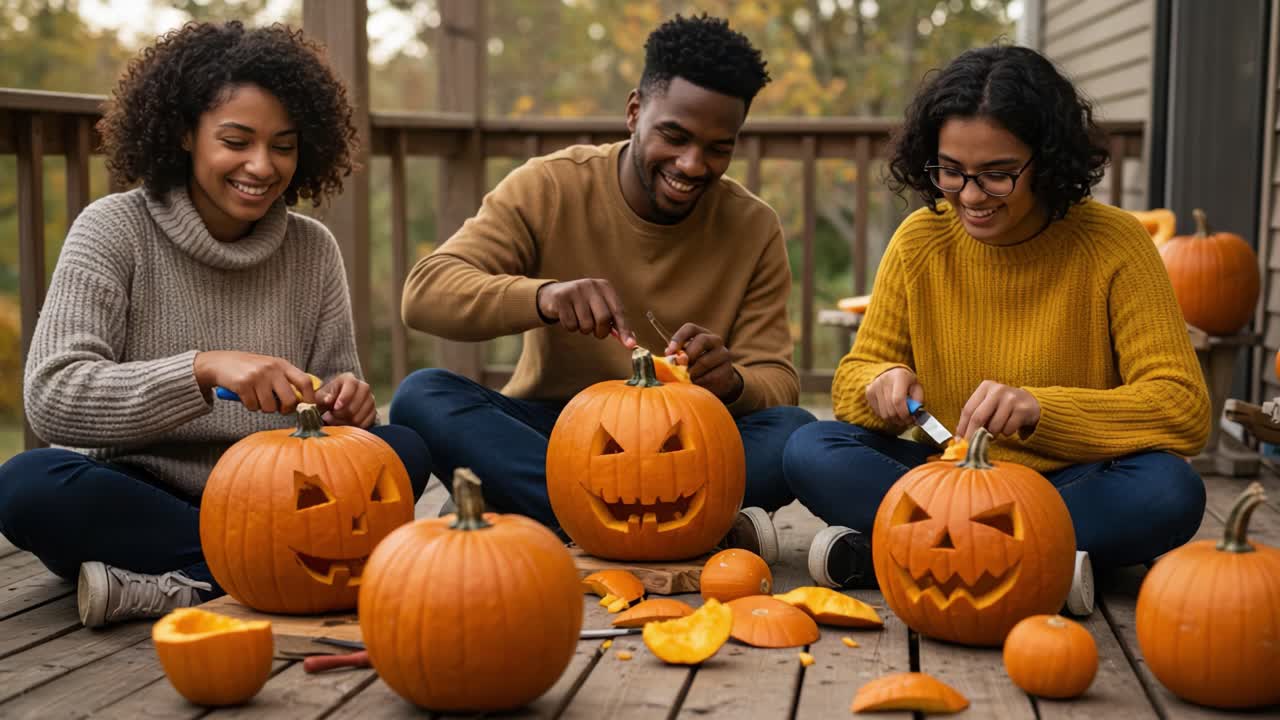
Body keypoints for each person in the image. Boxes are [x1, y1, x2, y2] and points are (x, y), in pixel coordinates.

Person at [0, 21, 429, 628]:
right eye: (237, 140)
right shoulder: (112, 229)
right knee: (28, 486)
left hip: (281, 497)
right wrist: (201, 371)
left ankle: (184, 585)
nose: (261, 165)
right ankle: (262, 574)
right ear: (183, 133)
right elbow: (52, 398)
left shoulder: (313, 248)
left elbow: (343, 412)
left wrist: (349, 405)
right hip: (144, 492)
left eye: (283, 145)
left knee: (404, 448)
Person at [782, 45, 1210, 603]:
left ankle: (913, 553)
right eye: (951, 172)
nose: (971, 196)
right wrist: (880, 381)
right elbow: (850, 384)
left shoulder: (1115, 244)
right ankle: (1041, 561)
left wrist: (1041, 410)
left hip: (1070, 482)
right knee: (809, 448)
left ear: (1048, 159)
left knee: (1169, 491)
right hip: (945, 479)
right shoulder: (920, 239)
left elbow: (1182, 406)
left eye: (998, 175)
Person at [391, 14, 816, 557]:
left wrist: (732, 383)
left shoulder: (754, 226)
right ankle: (671, 525)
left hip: (682, 446)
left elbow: (778, 380)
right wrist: (543, 298)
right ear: (635, 111)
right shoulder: (548, 186)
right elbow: (425, 293)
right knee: (422, 396)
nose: (692, 164)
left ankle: (547, 513)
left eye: (718, 148)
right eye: (675, 136)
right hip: (553, 433)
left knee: (794, 434)